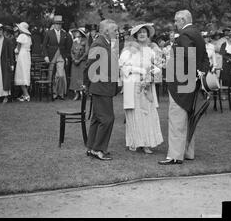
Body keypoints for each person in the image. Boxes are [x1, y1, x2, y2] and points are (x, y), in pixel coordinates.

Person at [159, 10, 209, 165]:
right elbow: (205, 58)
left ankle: (174, 155)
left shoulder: (184, 35)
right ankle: (188, 152)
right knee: (188, 118)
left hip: (181, 83)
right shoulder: (197, 34)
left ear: (182, 20)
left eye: (176, 20)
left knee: (176, 120)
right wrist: (200, 73)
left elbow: (188, 57)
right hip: (191, 82)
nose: (175, 23)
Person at [119, 23, 163, 154]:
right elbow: (123, 66)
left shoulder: (151, 51)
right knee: (134, 113)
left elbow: (159, 65)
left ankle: (146, 143)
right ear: (136, 36)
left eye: (144, 32)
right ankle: (134, 141)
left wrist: (150, 74)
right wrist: (140, 70)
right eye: (140, 33)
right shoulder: (129, 50)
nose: (142, 34)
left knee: (147, 114)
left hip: (147, 85)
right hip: (133, 85)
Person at [84, 19, 120, 161]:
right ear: (106, 31)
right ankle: (98, 149)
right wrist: (87, 84)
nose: (117, 33)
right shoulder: (99, 43)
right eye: (115, 30)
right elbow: (89, 65)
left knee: (98, 118)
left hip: (103, 86)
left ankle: (91, 147)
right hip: (100, 86)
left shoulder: (106, 43)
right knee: (107, 119)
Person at [42, 15, 73, 100]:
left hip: (61, 56)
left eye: (60, 24)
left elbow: (67, 47)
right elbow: (44, 46)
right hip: (51, 56)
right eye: (57, 24)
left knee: (61, 76)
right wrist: (46, 56)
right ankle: (53, 93)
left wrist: (66, 57)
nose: (58, 25)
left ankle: (61, 93)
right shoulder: (49, 33)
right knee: (51, 75)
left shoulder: (64, 34)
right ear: (54, 24)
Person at [14, 22, 32, 102]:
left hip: (22, 55)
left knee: (21, 74)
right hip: (27, 56)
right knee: (25, 74)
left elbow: (18, 48)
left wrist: (15, 51)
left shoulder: (21, 36)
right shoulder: (29, 37)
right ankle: (24, 94)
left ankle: (26, 95)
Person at [69, 27, 89, 101]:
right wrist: (74, 59)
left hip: (82, 62)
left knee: (81, 78)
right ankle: (76, 94)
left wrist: (80, 59)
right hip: (74, 63)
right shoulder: (74, 41)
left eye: (78, 32)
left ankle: (82, 93)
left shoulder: (85, 41)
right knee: (74, 78)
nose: (76, 33)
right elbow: (71, 51)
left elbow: (86, 52)